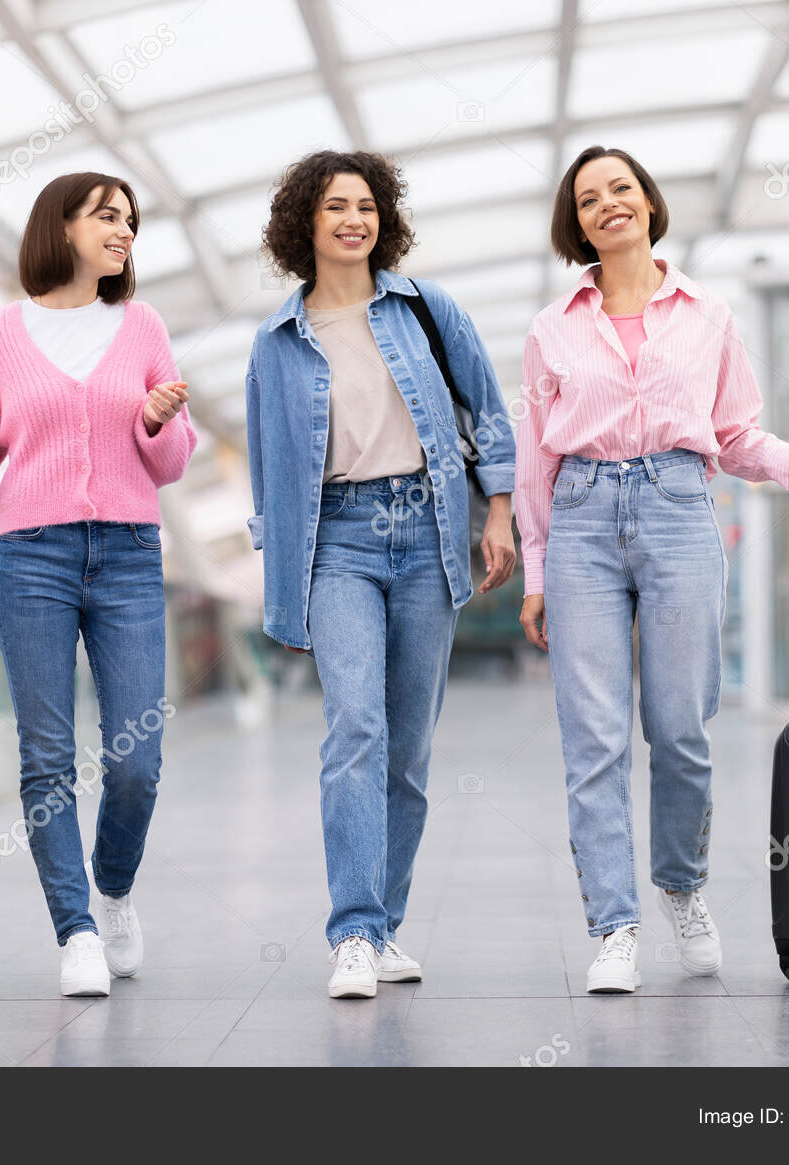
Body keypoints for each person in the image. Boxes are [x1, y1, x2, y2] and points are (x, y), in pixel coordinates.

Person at [515, 145, 789, 992]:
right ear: (576, 223)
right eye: (589, 199)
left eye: (620, 189)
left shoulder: (709, 315)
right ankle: (614, 924)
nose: (608, 206)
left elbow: (735, 433)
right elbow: (533, 462)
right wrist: (537, 569)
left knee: (681, 731)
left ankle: (682, 885)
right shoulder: (551, 328)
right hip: (584, 517)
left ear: (649, 202)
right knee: (593, 738)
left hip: (676, 508)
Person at [0, 171, 196, 997]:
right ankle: (73, 930)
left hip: (131, 555)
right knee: (46, 759)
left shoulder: (141, 326)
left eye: (132, 221)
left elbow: (173, 458)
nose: (124, 232)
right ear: (60, 226)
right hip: (31, 558)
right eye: (108, 216)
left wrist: (155, 421)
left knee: (136, 756)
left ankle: (112, 889)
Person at [246, 149, 517, 999]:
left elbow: (488, 410)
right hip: (339, 542)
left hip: (427, 533)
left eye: (365, 205)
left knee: (408, 750)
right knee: (355, 726)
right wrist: (283, 581)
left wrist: (500, 511)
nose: (353, 219)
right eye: (334, 207)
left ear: (383, 219)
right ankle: (354, 933)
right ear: (306, 224)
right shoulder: (277, 342)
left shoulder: (425, 309)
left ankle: (386, 923)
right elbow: (269, 471)